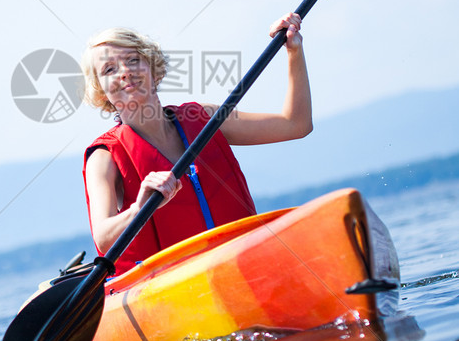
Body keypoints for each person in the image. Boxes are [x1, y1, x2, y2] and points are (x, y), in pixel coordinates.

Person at [81, 15, 312, 274]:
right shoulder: (104, 157)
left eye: (133, 60)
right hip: (174, 289)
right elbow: (103, 237)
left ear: (152, 68)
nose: (125, 72)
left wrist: (294, 51)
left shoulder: (204, 118)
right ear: (101, 91)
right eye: (109, 69)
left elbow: (296, 124)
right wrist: (139, 209)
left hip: (246, 266)